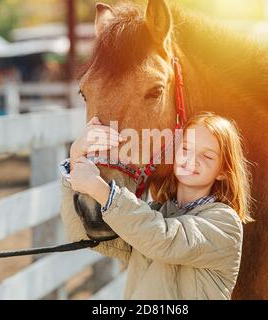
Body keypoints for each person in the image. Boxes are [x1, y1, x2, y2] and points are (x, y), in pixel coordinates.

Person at [59, 111, 253, 299]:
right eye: (186, 149)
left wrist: (101, 190)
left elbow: (163, 238)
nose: (192, 159)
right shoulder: (154, 214)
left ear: (223, 172)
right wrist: (77, 158)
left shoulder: (225, 224)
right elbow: (92, 235)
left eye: (207, 156)